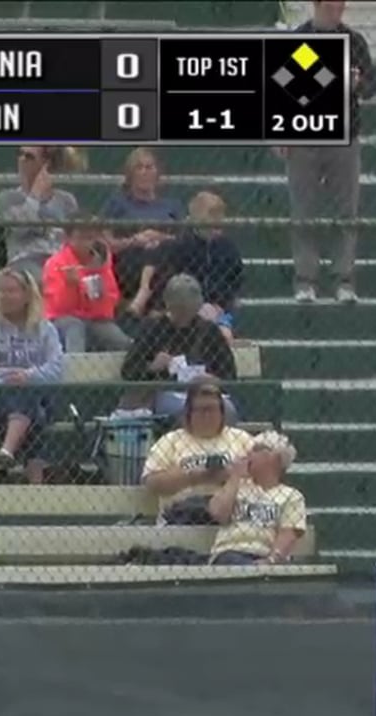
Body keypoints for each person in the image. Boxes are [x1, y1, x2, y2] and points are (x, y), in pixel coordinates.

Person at [283, 0, 376, 304]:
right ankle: (305, 280)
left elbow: (371, 86)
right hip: (305, 135)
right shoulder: (299, 39)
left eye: (341, 3)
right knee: (304, 209)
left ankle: (344, 279)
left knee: (345, 210)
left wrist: (358, 82)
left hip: (344, 136)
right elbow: (282, 87)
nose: (339, 7)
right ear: (318, 4)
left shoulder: (354, 41)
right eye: (332, 3)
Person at [0, 267, 63, 477]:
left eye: (12, 290)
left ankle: (8, 451)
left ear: (27, 294)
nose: (5, 297)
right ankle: (35, 483)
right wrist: (2, 380)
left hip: (38, 395)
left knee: (29, 391)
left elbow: (56, 368)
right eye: (1, 291)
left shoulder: (45, 329)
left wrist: (28, 376)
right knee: (34, 411)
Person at [122, 273, 239, 421]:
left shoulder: (209, 331)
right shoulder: (153, 328)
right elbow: (128, 370)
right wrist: (152, 367)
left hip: (205, 392)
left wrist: (214, 380)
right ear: (169, 306)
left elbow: (229, 374)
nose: (184, 317)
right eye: (179, 311)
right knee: (186, 411)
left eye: (189, 312)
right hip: (167, 392)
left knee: (227, 410)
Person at [140, 379, 254, 525]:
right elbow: (152, 483)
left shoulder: (241, 439)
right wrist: (195, 476)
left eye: (211, 409)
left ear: (222, 412)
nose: (206, 415)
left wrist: (230, 476)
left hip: (231, 518)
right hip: (179, 518)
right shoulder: (170, 440)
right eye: (200, 410)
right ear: (188, 413)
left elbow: (265, 476)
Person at [99, 147, 182, 311]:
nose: (144, 172)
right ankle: (152, 307)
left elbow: (184, 242)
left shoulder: (172, 206)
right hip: (129, 266)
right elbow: (104, 244)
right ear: (130, 174)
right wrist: (135, 241)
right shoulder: (117, 205)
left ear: (157, 173)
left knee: (162, 254)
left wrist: (159, 238)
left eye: (149, 167)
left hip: (165, 267)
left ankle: (145, 298)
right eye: (139, 167)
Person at [207, 431, 307, 566]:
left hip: (265, 556)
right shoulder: (236, 486)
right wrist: (235, 476)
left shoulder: (291, 495)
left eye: (255, 450)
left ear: (274, 458)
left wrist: (270, 560)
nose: (248, 454)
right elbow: (218, 514)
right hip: (230, 552)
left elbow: (288, 534)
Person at [162, 191, 246, 342]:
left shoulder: (227, 248)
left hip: (221, 307)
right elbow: (174, 280)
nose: (215, 230)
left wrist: (221, 304)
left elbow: (235, 281)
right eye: (210, 225)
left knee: (225, 333)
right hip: (189, 306)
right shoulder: (182, 246)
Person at [41, 215, 131, 354]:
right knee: (74, 326)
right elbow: (58, 308)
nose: (86, 243)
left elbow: (109, 305)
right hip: (63, 319)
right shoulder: (56, 263)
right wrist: (70, 286)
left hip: (95, 318)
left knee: (120, 340)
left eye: (90, 238)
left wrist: (97, 292)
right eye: (81, 237)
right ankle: (76, 371)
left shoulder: (101, 264)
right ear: (68, 239)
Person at [0, 145, 83, 282]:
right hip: (25, 263)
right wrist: (34, 195)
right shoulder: (9, 197)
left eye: (29, 156)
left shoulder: (66, 200)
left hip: (59, 261)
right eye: (20, 154)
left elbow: (72, 239)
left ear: (45, 164)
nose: (22, 160)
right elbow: (20, 229)